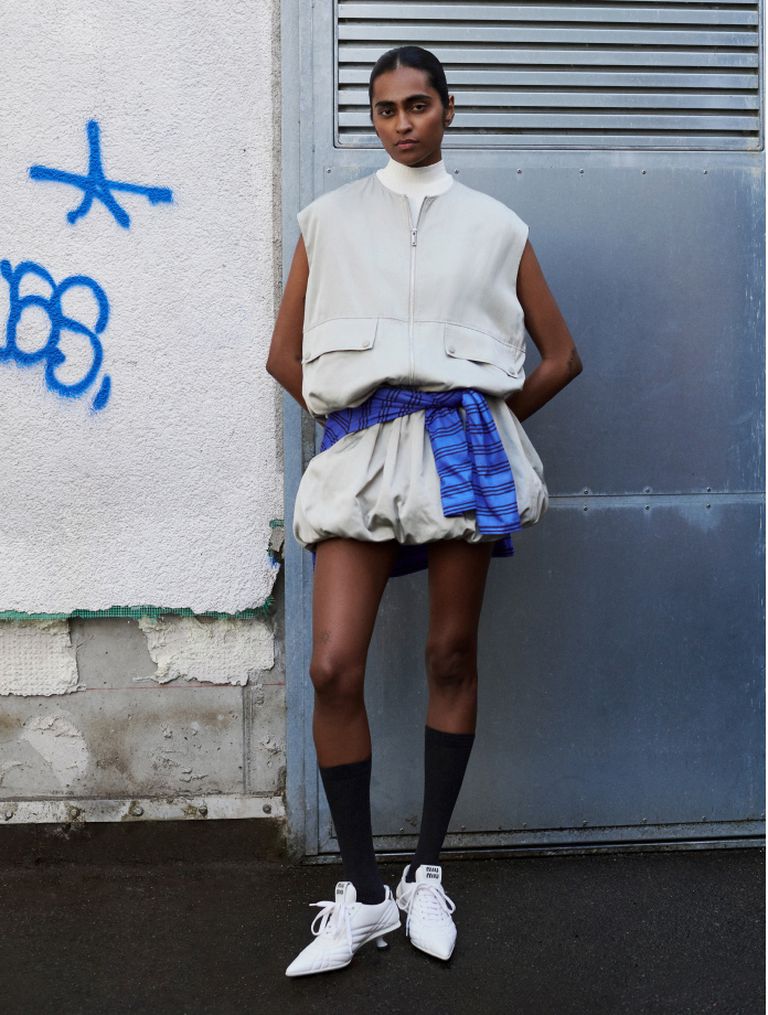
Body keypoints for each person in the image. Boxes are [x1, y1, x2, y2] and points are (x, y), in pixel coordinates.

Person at [266, 45, 582, 978]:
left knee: (450, 652)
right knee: (332, 666)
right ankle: (363, 897)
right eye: (385, 109)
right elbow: (285, 355)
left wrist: (483, 426)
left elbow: (558, 354)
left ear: (448, 110)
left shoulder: (496, 225)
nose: (401, 122)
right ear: (372, 118)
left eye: (417, 105)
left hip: (459, 460)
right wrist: (360, 426)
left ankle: (425, 871)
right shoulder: (326, 220)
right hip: (362, 459)